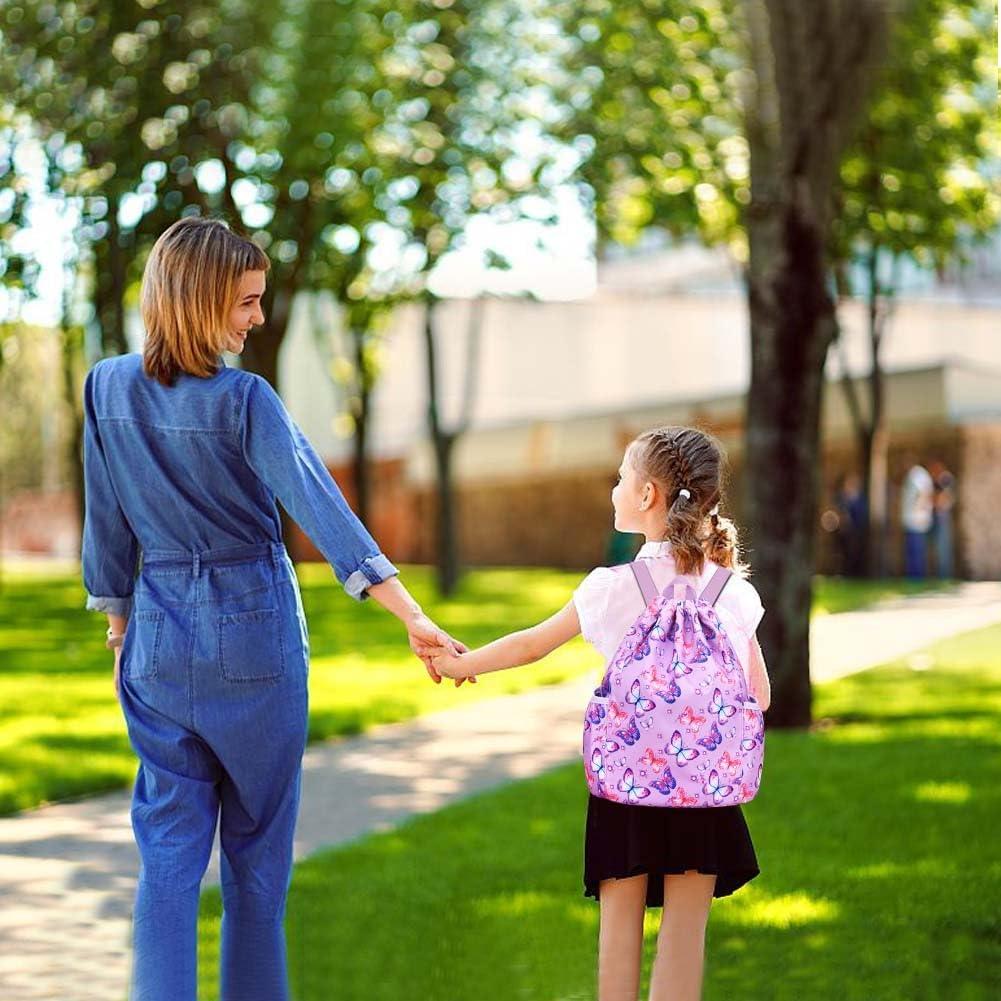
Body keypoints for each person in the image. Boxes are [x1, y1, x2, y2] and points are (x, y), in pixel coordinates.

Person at [81, 216, 470, 1001]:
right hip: (251, 637)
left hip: (155, 639)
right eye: (246, 302)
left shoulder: (105, 385)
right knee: (256, 864)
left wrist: (121, 623)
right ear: (199, 300)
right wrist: (408, 612)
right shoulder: (245, 399)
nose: (257, 318)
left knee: (166, 859)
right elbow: (321, 508)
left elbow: (106, 521)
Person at [430, 426, 770, 1001]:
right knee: (685, 940)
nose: (614, 487)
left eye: (621, 477)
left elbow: (531, 645)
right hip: (703, 793)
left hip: (626, 790)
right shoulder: (731, 593)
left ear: (646, 497)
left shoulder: (613, 588)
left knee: (619, 938)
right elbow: (758, 696)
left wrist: (465, 664)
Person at [899, 458, 934, 578]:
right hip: (914, 520)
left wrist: (917, 510)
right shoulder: (916, 474)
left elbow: (924, 493)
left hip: (916, 521)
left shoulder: (917, 474)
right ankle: (914, 577)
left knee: (915, 552)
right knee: (913, 552)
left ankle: (916, 578)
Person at [929, 459, 956, 579]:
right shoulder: (937, 481)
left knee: (943, 548)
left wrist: (933, 500)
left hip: (942, 517)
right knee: (937, 548)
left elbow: (943, 499)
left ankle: (944, 576)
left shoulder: (945, 479)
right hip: (937, 516)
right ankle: (940, 575)